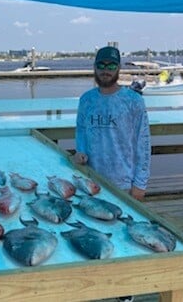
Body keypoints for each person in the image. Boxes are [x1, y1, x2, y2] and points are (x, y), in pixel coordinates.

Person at [73, 46, 151, 302]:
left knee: (126, 236)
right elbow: (81, 132)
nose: (105, 70)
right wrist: (80, 154)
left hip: (124, 182)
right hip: (93, 181)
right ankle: (96, 282)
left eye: (111, 65)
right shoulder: (86, 100)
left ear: (119, 68)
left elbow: (143, 143)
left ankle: (124, 289)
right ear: (94, 68)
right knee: (94, 231)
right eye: (101, 65)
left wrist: (140, 183)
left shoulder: (133, 101)